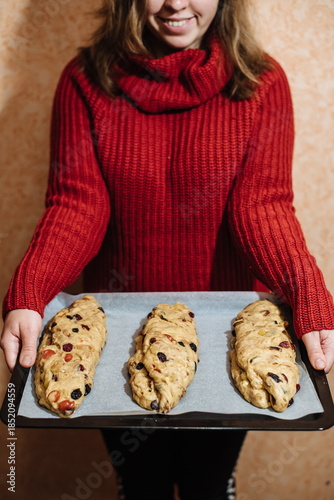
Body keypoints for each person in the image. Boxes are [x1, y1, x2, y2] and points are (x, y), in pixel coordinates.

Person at [1, 0, 334, 498]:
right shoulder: (85, 80)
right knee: (139, 484)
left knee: (209, 482)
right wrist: (30, 292)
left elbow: (261, 205)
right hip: (115, 331)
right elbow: (78, 204)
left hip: (225, 327)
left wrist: (308, 296)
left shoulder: (260, 81)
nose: (176, 3)